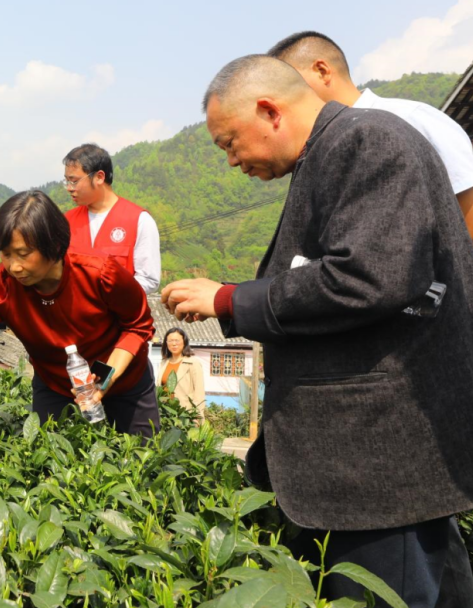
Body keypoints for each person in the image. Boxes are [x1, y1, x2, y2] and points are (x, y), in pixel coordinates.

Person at [162, 54, 473, 605]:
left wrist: (231, 298)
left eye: (229, 143)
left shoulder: (366, 140)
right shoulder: (336, 149)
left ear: (269, 110)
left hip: (374, 465)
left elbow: (371, 276)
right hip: (378, 467)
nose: (231, 161)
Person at [0, 190, 158, 446]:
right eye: (6, 254)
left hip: (124, 381)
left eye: (24, 253)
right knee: (46, 465)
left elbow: (138, 326)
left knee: (141, 459)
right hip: (55, 385)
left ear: (54, 246)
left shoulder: (101, 274)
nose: (14, 266)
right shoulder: (2, 286)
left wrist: (105, 379)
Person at [268, 31, 473, 238]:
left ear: (322, 71)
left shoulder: (412, 119)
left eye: (291, 85)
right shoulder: (318, 155)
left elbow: (467, 200)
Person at [62, 143, 161, 294]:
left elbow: (149, 279)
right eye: (67, 181)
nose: (69, 188)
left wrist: (107, 294)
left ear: (99, 177)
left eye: (74, 181)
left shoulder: (139, 220)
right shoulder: (65, 221)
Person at [156, 328, 205, 418]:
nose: (174, 344)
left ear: (184, 342)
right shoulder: (163, 363)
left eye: (177, 340)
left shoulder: (193, 363)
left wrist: (196, 417)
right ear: (166, 343)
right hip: (164, 414)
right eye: (170, 341)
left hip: (185, 414)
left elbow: (199, 393)